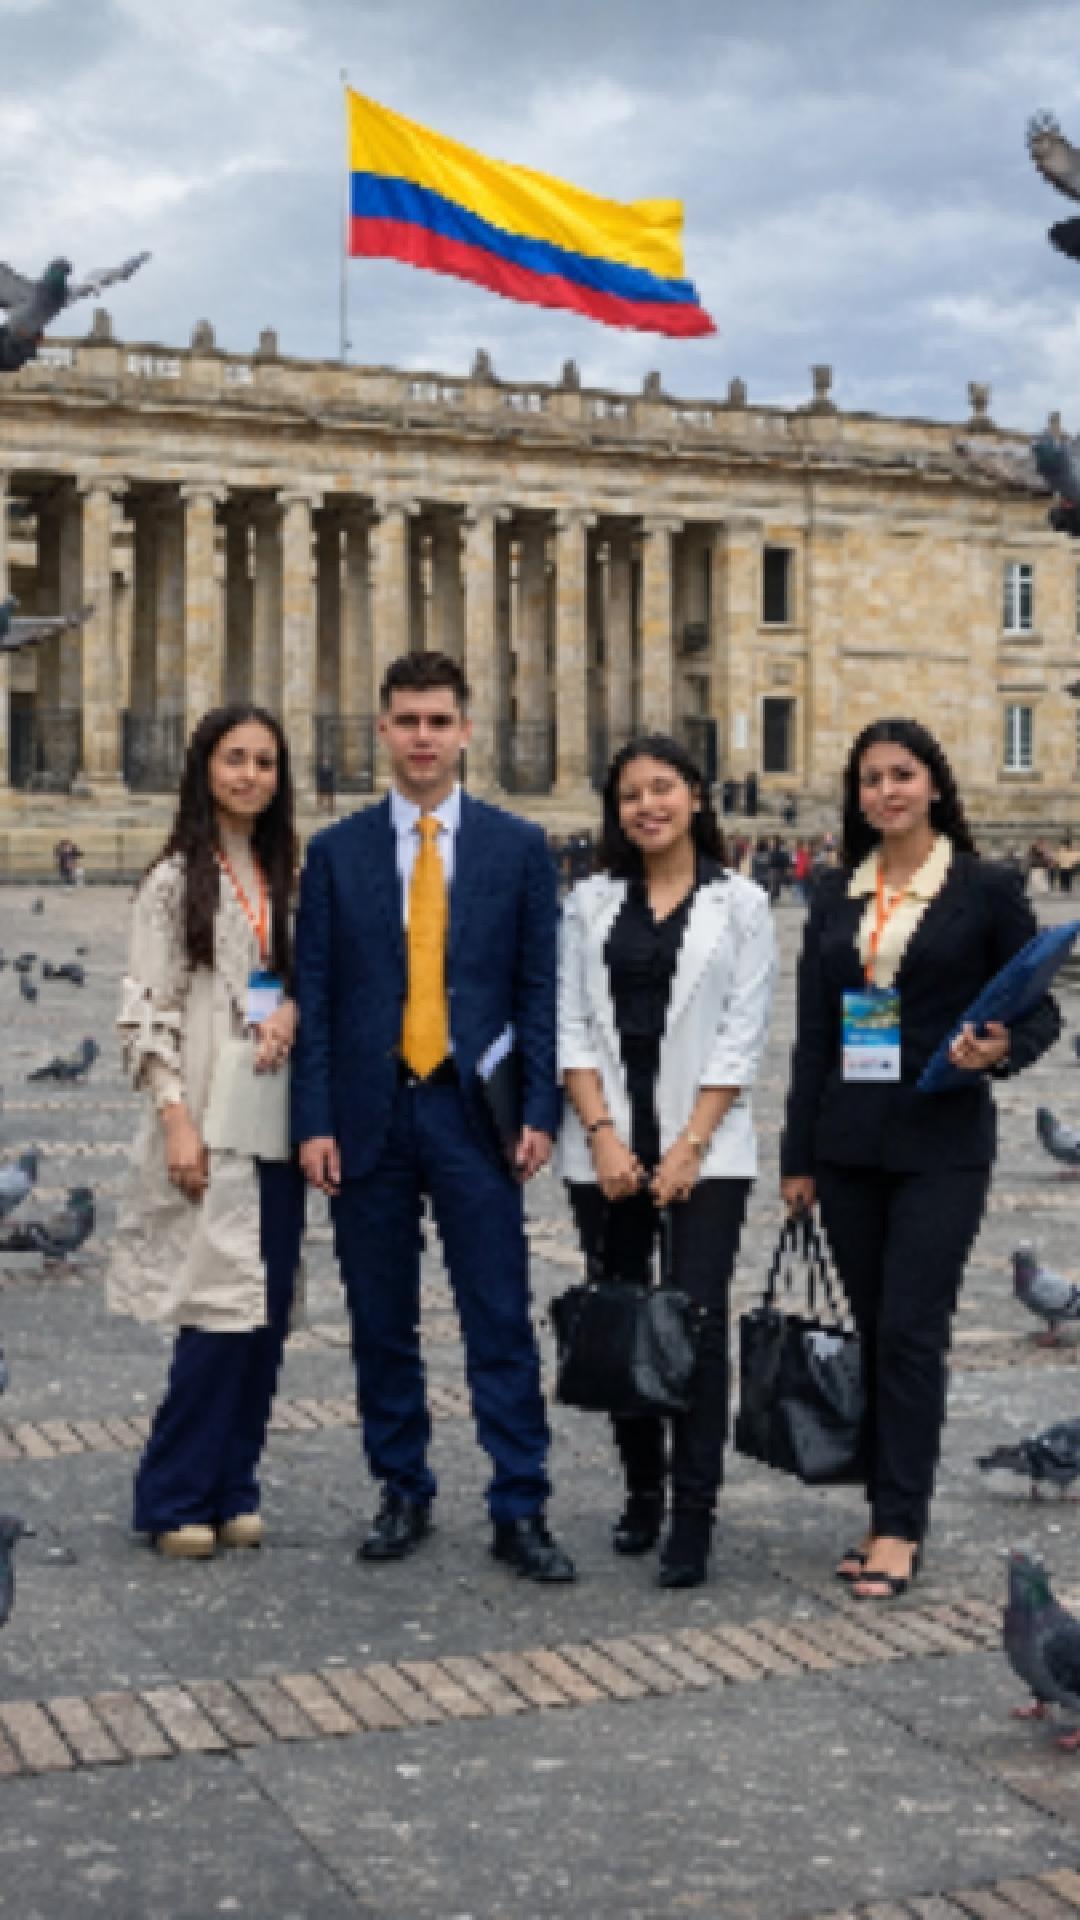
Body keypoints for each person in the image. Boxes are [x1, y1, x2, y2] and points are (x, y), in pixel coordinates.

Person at [292, 651, 574, 1583]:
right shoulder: (334, 853)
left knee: (498, 1312)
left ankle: (519, 1500)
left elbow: (537, 989)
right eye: (407, 721)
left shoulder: (517, 846)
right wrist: (314, 1119)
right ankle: (402, 1487)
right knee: (382, 1318)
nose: (422, 738)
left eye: (438, 721)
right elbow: (318, 996)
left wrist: (538, 1108)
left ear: (464, 731)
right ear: (383, 730)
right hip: (370, 1111)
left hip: (473, 1112)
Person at [780, 717, 1061, 1601]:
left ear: (934, 784)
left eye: (901, 775)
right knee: (873, 1337)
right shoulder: (835, 893)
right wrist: (797, 1155)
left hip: (942, 1143)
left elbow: (1042, 1010)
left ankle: (901, 1525)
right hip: (850, 1142)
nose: (885, 792)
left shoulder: (984, 888)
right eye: (870, 779)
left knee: (911, 1332)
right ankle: (879, 1511)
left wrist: (998, 1050)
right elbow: (814, 1037)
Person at [558, 734, 776, 1587]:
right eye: (630, 795)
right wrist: (603, 1132)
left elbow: (743, 1033)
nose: (648, 806)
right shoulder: (589, 903)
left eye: (663, 788)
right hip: (607, 1141)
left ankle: (694, 1511)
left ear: (695, 795)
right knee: (619, 1323)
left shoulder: (744, 903)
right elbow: (571, 1022)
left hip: (706, 1147)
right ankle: (643, 1489)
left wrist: (688, 1145)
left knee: (696, 1320)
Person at [106, 705, 305, 1559]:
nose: (250, 775)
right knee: (215, 1316)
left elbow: (267, 979)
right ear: (205, 768)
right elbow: (144, 1012)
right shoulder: (171, 880)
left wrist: (284, 1009)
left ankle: (234, 1485)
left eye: (264, 761)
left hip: (272, 1117)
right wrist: (174, 1119)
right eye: (235, 759)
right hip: (206, 1122)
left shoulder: (279, 873)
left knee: (263, 1317)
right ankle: (174, 1492)